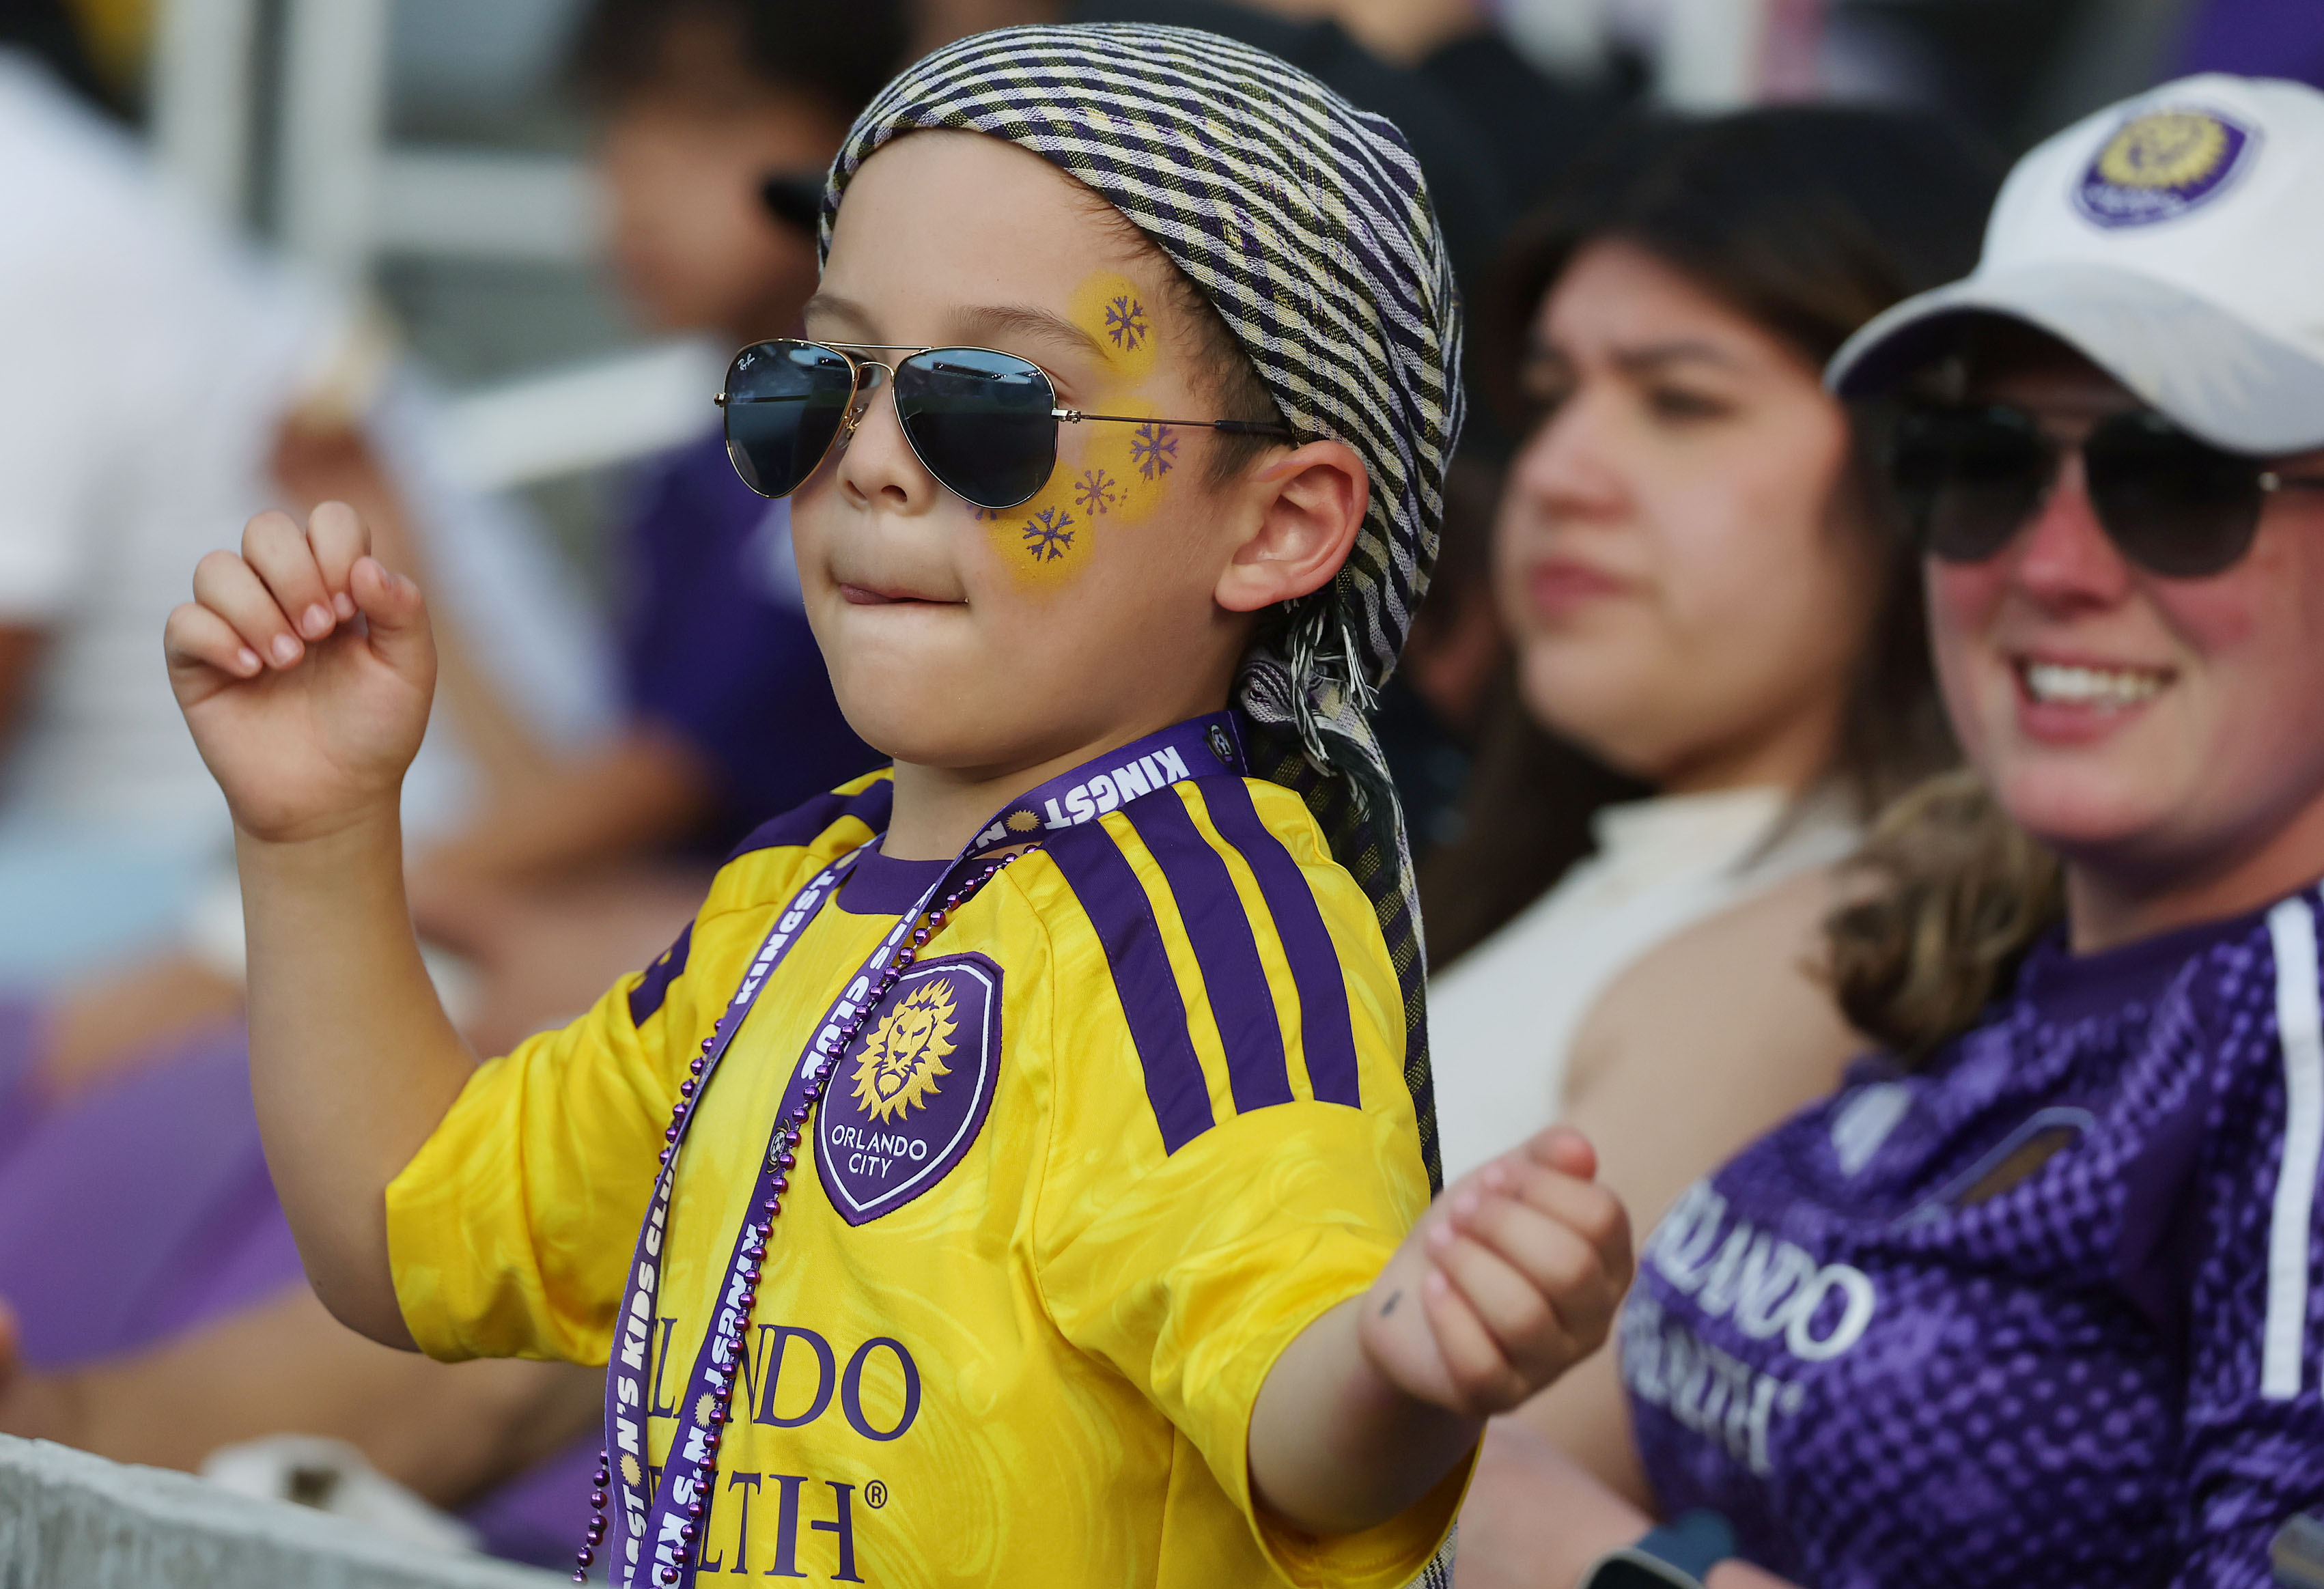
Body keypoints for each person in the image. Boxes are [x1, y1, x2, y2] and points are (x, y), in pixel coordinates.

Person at [162, 24, 1636, 1589]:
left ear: (1277, 526)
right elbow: (408, 1228)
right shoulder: (797, 887)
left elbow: (1292, 1409)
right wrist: (317, 837)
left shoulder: (1216, 938)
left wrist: (1407, 1364)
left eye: (989, 406)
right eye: (816, 381)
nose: (866, 458)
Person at [1463, 71, 2324, 1589]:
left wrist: (1603, 1567)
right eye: (1979, 464)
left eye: (2175, 478)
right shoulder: (1974, 944)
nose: (2050, 565)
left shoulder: (2290, 1034)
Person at [1422, 109, 1994, 1185]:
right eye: (1550, 399)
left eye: (1681, 403)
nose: (1556, 473)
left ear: (1928, 466)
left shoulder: (1847, 956)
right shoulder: (1528, 867)